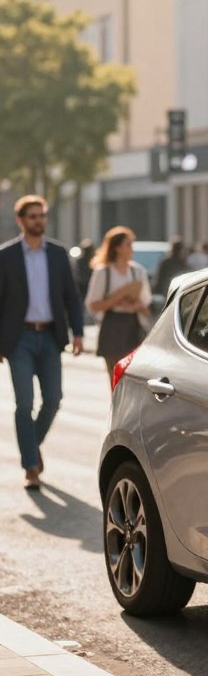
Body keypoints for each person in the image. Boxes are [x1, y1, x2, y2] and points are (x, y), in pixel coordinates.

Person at [0, 196, 84, 489]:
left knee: (53, 399)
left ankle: (30, 446)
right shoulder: (6, 255)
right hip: (18, 338)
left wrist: (78, 332)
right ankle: (31, 467)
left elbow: (71, 296)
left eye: (42, 215)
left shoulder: (58, 254)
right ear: (21, 220)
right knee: (24, 402)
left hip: (50, 335)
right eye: (33, 216)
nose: (39, 220)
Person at [86, 226, 153, 382]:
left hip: (133, 327)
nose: (131, 249)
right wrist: (116, 301)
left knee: (134, 378)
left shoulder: (138, 272)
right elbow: (92, 305)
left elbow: (146, 307)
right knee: (116, 378)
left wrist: (135, 306)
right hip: (112, 327)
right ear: (116, 248)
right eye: (128, 244)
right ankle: (117, 405)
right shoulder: (103, 273)